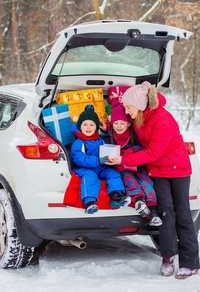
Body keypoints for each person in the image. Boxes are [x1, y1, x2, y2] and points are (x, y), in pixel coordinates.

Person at [103, 81, 199, 279]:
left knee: (182, 214)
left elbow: (154, 152)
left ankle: (190, 262)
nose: (127, 111)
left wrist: (123, 159)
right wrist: (108, 127)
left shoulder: (163, 119)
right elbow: (125, 129)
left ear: (138, 105)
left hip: (177, 169)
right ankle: (168, 257)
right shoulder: (139, 118)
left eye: (128, 107)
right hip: (157, 170)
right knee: (166, 212)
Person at [101, 101, 162, 227]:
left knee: (146, 181)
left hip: (136, 164)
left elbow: (143, 148)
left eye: (122, 123)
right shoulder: (109, 136)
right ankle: (139, 200)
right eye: (116, 123)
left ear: (129, 123)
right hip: (121, 167)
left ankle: (153, 210)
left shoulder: (135, 134)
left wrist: (130, 152)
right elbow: (104, 151)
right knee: (129, 179)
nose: (119, 126)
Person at [70, 104, 131, 214]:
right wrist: (98, 160)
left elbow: (106, 150)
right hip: (83, 168)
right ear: (80, 126)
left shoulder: (100, 140)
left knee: (113, 173)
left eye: (92, 125)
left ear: (96, 127)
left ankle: (115, 197)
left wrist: (111, 158)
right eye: (85, 124)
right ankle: (89, 203)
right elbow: (79, 159)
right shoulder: (78, 142)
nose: (88, 128)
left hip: (100, 167)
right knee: (90, 176)